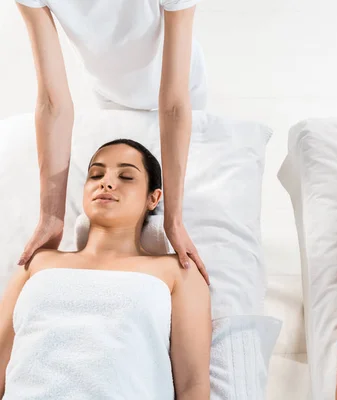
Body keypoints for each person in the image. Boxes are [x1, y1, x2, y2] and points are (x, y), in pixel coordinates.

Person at [14, 0, 209, 283]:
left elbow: (175, 106)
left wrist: (174, 221)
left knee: (183, 200)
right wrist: (51, 216)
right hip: (109, 94)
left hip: (180, 90)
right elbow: (52, 103)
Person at [0, 139, 211, 399]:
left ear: (153, 198)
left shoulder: (177, 271)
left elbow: (193, 385)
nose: (106, 183)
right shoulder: (37, 263)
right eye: (96, 175)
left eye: (126, 176)